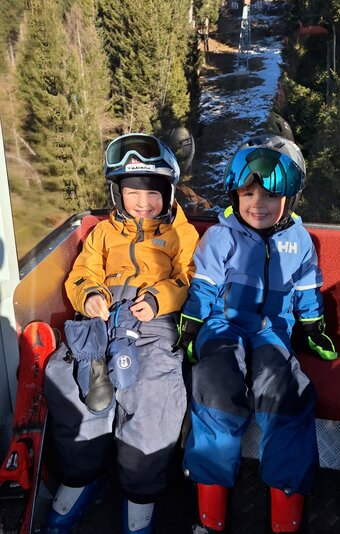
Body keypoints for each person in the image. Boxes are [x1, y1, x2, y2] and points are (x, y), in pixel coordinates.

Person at [177, 134, 338, 533]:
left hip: (272, 331)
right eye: (248, 194)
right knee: (215, 382)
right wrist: (191, 325)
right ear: (235, 195)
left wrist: (313, 326)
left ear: (289, 199)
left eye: (270, 195)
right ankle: (210, 512)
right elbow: (205, 287)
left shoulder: (298, 241)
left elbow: (306, 289)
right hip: (223, 325)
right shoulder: (222, 236)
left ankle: (286, 512)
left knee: (286, 391)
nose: (257, 204)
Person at [44, 133, 199, 534]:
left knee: (153, 392)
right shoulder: (103, 233)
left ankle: (140, 491)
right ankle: (82, 476)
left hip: (151, 320)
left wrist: (159, 298)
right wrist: (91, 294)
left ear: (168, 193)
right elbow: (83, 272)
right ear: (117, 194)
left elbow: (189, 278)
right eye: (132, 193)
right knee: (68, 380)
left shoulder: (180, 234)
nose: (142, 202)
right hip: (102, 315)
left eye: (152, 193)